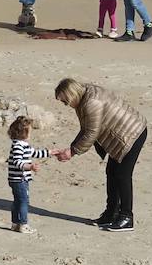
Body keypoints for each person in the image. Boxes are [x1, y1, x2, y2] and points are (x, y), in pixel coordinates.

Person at [52, 78, 147, 232]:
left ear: (71, 95)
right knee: (111, 172)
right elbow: (87, 127)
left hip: (132, 133)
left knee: (122, 175)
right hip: (121, 135)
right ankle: (111, 213)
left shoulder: (91, 102)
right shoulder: (84, 96)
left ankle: (126, 217)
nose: (67, 105)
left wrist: (72, 151)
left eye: (65, 101)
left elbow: (91, 132)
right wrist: (71, 147)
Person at [6, 115, 52, 234]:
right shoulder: (17, 146)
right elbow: (17, 162)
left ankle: (15, 223)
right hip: (19, 179)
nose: (31, 133)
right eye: (29, 131)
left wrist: (51, 152)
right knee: (23, 201)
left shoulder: (24, 145)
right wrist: (30, 166)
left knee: (18, 201)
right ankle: (23, 224)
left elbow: (36, 153)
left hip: (20, 179)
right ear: (22, 132)